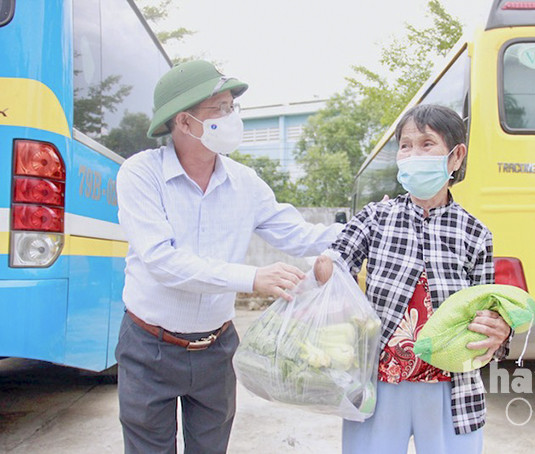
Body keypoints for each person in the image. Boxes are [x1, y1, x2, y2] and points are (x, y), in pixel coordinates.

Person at [115, 60, 341, 454]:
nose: (230, 117)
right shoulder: (140, 175)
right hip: (148, 347)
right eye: (218, 109)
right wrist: (252, 277)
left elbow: (299, 233)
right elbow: (162, 261)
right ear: (184, 123)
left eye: (231, 107)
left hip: (216, 349)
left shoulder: (245, 183)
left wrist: (371, 224)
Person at [314, 104, 512, 454]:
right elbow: (335, 260)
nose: (412, 154)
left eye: (426, 144)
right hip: (379, 383)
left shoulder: (475, 234)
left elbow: (489, 314)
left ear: (455, 157)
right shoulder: (376, 217)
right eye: (405, 146)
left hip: (451, 390)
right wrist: (324, 269)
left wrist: (500, 332)